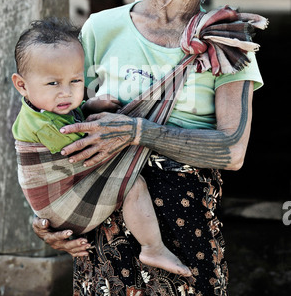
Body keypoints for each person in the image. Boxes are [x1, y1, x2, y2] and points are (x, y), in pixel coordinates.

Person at [32, 0, 267, 296]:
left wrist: (137, 131)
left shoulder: (229, 42)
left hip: (184, 227)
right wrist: (47, 210)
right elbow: (53, 124)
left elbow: (232, 151)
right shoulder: (101, 30)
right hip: (102, 227)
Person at [12, 17, 192, 277]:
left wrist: (88, 107)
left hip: (68, 197)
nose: (66, 93)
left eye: (75, 81)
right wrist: (130, 131)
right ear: (21, 85)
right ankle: (152, 247)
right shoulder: (42, 126)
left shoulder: (44, 107)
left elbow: (72, 118)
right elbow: (84, 150)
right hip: (61, 206)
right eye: (53, 83)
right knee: (133, 183)